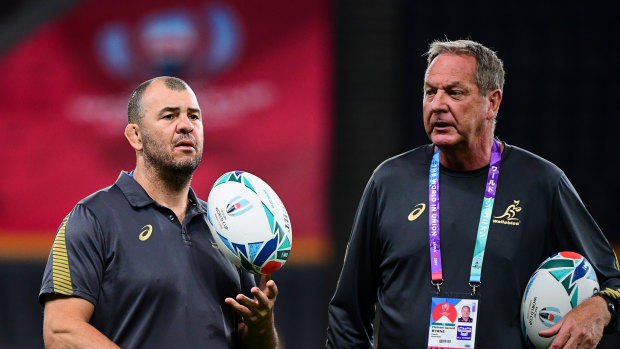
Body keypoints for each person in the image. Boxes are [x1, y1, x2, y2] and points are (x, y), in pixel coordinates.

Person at [326, 39, 620, 348]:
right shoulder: (388, 182)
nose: (438, 104)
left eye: (454, 92)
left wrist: (600, 308)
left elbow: (613, 282)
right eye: (430, 92)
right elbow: (347, 314)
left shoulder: (541, 183)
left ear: (492, 102)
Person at [39, 76, 279, 349]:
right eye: (169, 116)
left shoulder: (226, 227)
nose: (186, 126)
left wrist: (262, 326)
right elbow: (61, 332)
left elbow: (254, 344)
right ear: (136, 136)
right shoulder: (91, 218)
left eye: (194, 116)